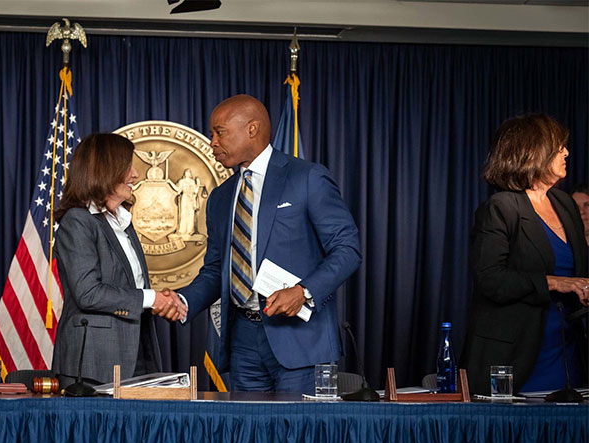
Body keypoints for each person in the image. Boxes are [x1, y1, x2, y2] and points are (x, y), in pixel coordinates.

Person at [176, 95, 361, 394]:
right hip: (242, 342)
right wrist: (183, 301)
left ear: (252, 129)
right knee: (248, 438)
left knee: (297, 438)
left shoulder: (307, 177)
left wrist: (303, 291)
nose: (212, 142)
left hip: (300, 339)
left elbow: (348, 250)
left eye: (219, 132)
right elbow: (215, 271)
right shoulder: (221, 198)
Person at [462, 114, 588, 396]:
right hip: (517, 355)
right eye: (559, 147)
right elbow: (490, 280)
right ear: (533, 151)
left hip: (567, 352)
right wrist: (555, 282)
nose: (566, 152)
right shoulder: (502, 207)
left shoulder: (565, 204)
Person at [52, 133, 184, 386]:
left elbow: (129, 287)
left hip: (137, 354)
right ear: (105, 169)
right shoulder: (77, 221)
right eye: (127, 166)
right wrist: (152, 298)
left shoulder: (122, 222)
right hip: (93, 363)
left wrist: (164, 301)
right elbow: (88, 293)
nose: (135, 174)